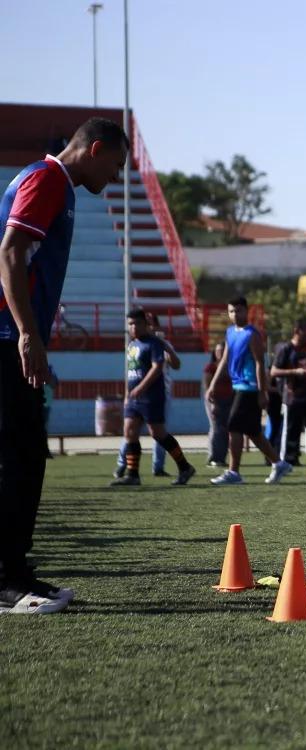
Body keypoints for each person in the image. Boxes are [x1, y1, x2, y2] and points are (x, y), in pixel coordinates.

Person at [0, 117, 128, 614]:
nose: (115, 178)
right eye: (114, 166)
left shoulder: (59, 185)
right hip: (6, 338)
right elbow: (9, 252)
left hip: (16, 338)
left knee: (27, 457)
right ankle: (6, 581)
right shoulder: (47, 178)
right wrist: (27, 334)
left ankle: (16, 570)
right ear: (94, 149)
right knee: (17, 458)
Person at [206, 296, 292, 485]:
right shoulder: (230, 332)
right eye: (231, 311)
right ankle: (279, 464)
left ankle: (233, 472)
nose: (235, 314)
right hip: (237, 386)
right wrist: (213, 384)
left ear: (246, 311)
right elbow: (225, 359)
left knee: (234, 426)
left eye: (238, 310)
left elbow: (260, 364)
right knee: (253, 432)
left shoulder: (252, 334)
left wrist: (262, 392)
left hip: (249, 387)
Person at [110, 309, 196, 487]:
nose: (133, 327)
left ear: (145, 325)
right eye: (130, 324)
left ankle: (185, 467)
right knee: (129, 432)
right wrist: (128, 393)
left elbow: (157, 368)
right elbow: (130, 372)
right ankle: (132, 474)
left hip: (151, 396)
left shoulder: (155, 343)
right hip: (134, 397)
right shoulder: (132, 344)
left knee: (158, 434)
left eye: (137, 323)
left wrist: (141, 388)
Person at [271, 321, 306, 474]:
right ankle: (288, 463)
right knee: (291, 432)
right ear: (296, 331)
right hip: (292, 398)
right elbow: (274, 371)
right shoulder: (286, 349)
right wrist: (295, 372)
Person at [203, 340, 233, 466]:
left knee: (226, 430)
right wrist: (213, 402)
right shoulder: (211, 367)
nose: (220, 353)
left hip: (229, 400)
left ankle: (222, 458)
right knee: (216, 429)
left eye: (222, 351)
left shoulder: (231, 367)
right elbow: (207, 385)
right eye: (218, 351)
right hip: (215, 400)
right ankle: (213, 457)